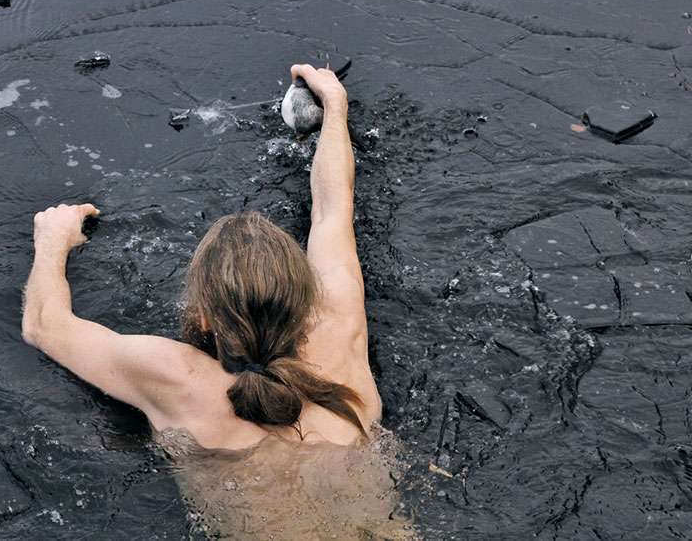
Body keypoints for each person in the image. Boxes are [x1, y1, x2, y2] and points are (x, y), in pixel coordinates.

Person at [22, 65, 415, 539]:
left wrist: (51, 241)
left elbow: (45, 325)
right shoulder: (340, 331)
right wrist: (334, 108)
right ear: (306, 299)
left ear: (204, 316)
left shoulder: (176, 378)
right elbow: (334, 208)